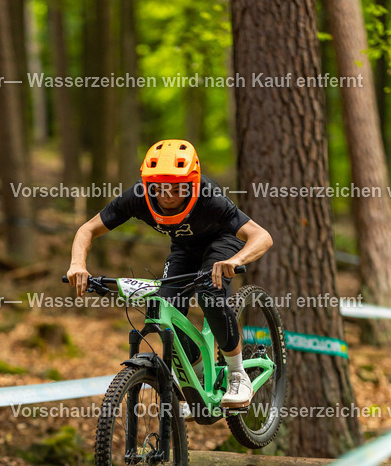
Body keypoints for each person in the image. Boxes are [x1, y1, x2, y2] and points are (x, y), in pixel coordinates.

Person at [66, 139, 273, 408]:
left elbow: (262, 236)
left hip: (222, 243)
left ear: (191, 184)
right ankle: (198, 386)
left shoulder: (210, 199)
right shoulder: (138, 197)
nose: (166, 195)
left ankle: (237, 373)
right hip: (184, 249)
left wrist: (236, 259)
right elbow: (88, 229)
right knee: (164, 310)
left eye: (176, 188)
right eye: (159, 187)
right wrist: (77, 265)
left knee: (209, 294)